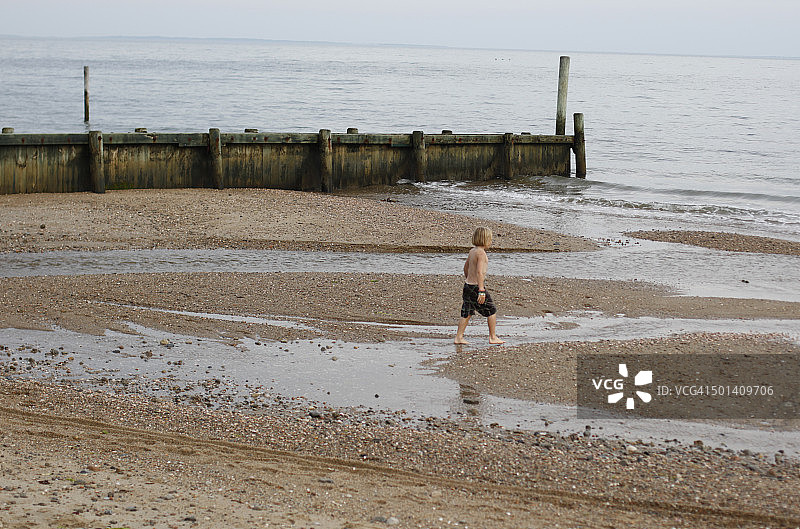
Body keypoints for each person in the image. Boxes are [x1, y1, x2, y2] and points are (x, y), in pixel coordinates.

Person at [454, 227, 505, 345]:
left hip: (467, 285)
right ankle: (492, 337)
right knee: (491, 310)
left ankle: (459, 337)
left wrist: (467, 279)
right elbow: (479, 272)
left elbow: (465, 267)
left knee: (467, 311)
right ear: (485, 240)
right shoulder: (481, 253)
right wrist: (481, 289)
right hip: (476, 287)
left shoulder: (472, 251)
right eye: (490, 239)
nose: (491, 242)